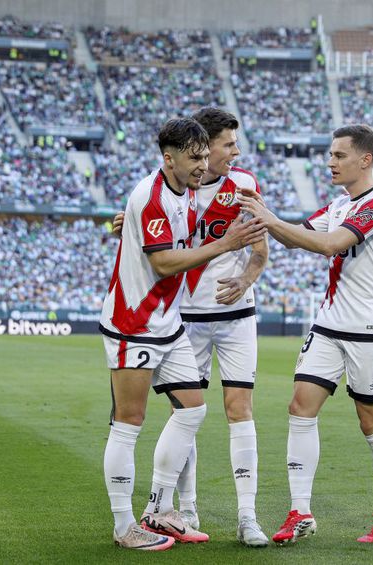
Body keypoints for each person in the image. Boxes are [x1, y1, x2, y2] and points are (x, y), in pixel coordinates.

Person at [238, 124, 373, 545]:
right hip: (330, 325)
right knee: (300, 407)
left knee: (372, 423)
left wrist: (270, 218)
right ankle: (300, 511)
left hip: (370, 330)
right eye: (331, 155)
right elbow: (298, 239)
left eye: (339, 155)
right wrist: (259, 212)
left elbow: (330, 245)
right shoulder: (338, 204)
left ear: (364, 160)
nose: (330, 162)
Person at [99, 118, 265, 551]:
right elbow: (165, 264)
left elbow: (174, 234)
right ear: (169, 158)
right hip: (135, 322)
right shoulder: (153, 195)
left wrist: (127, 225)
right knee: (128, 422)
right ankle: (123, 527)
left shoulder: (187, 190)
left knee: (192, 410)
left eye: (205, 155)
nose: (203, 163)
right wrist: (226, 245)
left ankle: (158, 510)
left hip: (168, 322)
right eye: (196, 157)